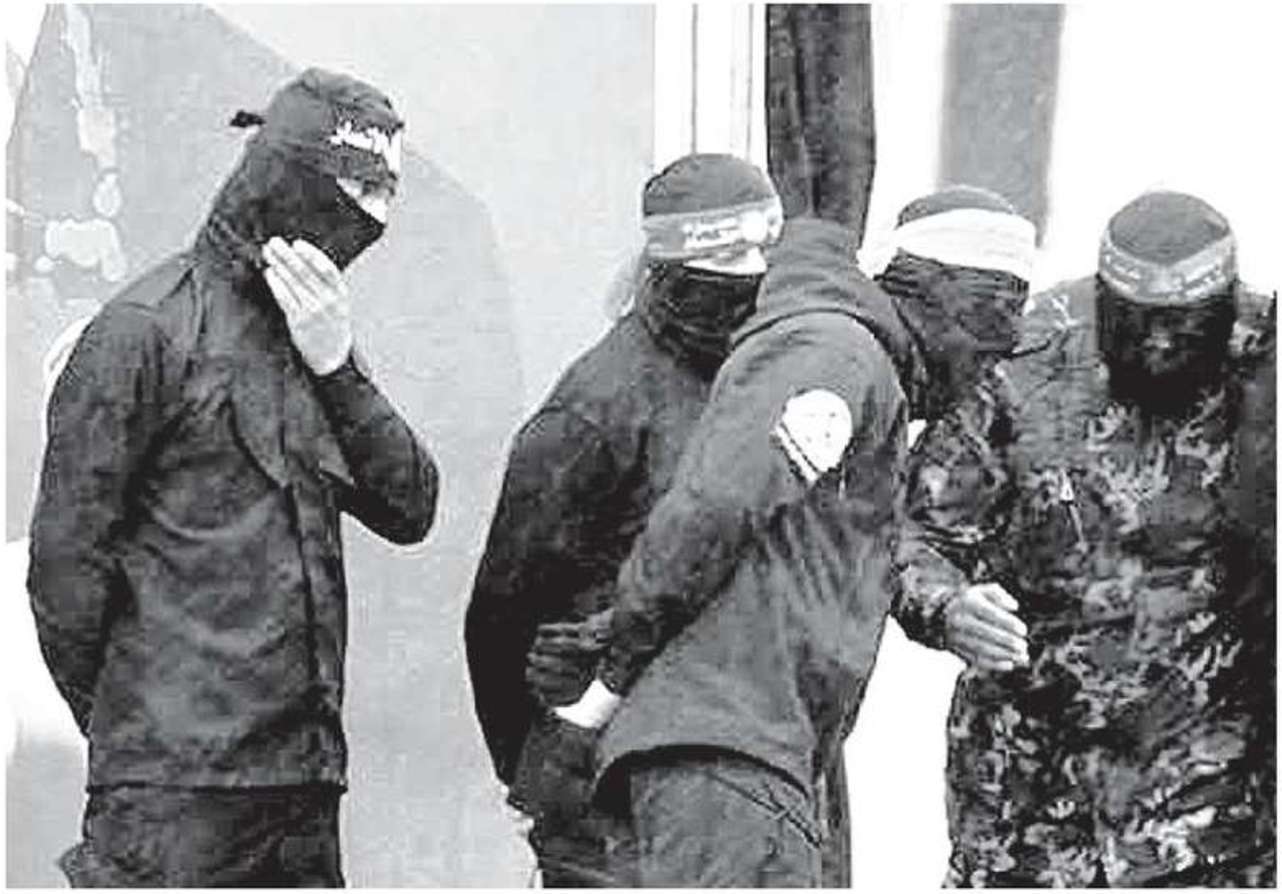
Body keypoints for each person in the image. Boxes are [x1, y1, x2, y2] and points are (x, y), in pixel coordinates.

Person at [531, 186, 1036, 886]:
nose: (987, 372)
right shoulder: (838, 355)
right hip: (730, 760)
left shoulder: (851, 361)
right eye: (988, 343)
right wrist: (605, 685)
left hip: (742, 758)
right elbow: (712, 510)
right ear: (955, 303)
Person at [27, 68, 439, 887]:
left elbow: (410, 505)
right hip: (172, 794)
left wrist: (337, 366)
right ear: (293, 175)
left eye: (387, 194)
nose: (376, 218)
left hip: (301, 786)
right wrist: (135, 729)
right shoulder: (144, 330)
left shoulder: (312, 334)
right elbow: (65, 568)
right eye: (359, 188)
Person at [896, 190, 1276, 886]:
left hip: (1207, 814)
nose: (1158, 344)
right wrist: (948, 607)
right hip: (1029, 803)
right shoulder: (1024, 363)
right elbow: (913, 535)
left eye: (1184, 325)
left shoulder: (1267, 365)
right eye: (1133, 323)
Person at [464, 153, 784, 886]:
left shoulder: (755, 378)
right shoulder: (597, 408)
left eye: (764, 250)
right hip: (611, 788)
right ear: (671, 263)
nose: (753, 273)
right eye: (728, 255)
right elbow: (503, 610)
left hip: (735, 764)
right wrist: (537, 764)